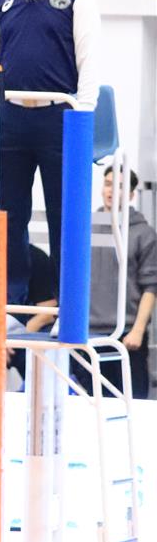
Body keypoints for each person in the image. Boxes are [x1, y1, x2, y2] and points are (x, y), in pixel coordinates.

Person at [0, 0, 101, 305]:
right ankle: (11, 302)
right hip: (10, 121)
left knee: (65, 215)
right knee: (7, 216)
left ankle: (68, 303)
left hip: (60, 122)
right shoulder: (0, 2)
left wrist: (82, 121)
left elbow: (89, 64)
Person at [78, 168, 156, 399]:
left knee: (131, 404)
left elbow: (151, 286)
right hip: (89, 336)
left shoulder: (143, 233)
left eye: (120, 186)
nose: (111, 190)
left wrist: (138, 330)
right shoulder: (86, 227)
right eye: (108, 184)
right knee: (91, 405)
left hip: (127, 337)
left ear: (131, 194)